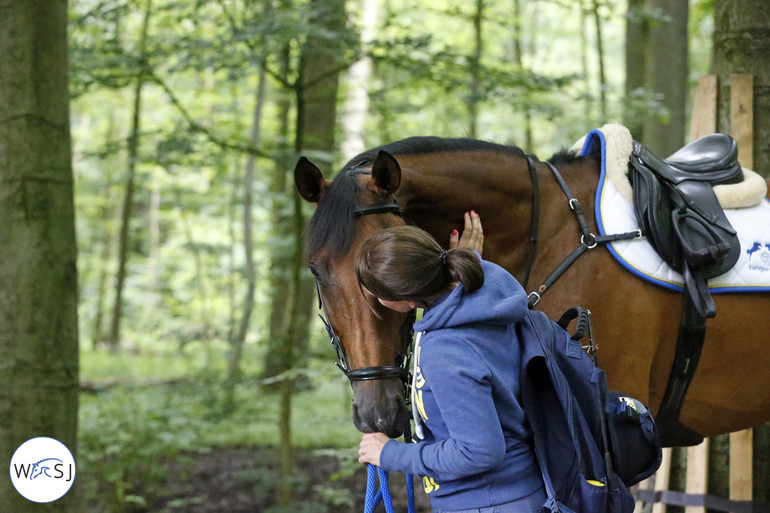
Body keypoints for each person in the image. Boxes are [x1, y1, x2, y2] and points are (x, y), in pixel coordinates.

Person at [354, 211, 546, 513]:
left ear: (407, 301)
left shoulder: (446, 349)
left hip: (487, 502)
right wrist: (467, 259)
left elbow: (480, 452)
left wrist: (390, 454)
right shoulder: (483, 299)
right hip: (515, 494)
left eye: (376, 293)